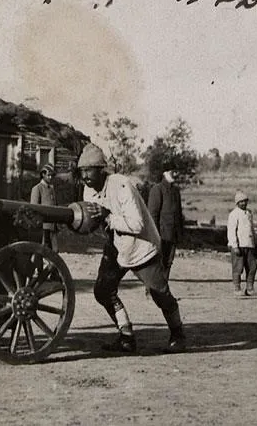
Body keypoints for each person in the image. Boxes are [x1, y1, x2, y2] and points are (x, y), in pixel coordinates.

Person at [77, 143, 186, 354]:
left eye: (89, 170)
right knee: (103, 291)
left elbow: (137, 224)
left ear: (102, 170)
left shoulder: (122, 185)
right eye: (82, 171)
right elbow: (92, 221)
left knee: (160, 294)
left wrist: (107, 216)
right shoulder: (89, 190)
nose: (85, 176)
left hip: (141, 245)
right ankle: (126, 336)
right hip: (117, 245)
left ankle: (178, 334)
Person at [147, 168, 184, 279]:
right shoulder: (157, 189)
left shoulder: (176, 191)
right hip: (160, 235)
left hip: (172, 235)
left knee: (168, 262)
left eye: (175, 171)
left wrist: (180, 234)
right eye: (171, 171)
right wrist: (155, 235)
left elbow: (179, 214)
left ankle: (163, 291)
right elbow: (152, 215)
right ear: (164, 173)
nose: (175, 173)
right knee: (157, 262)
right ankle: (151, 289)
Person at [228, 191, 257, 296]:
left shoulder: (249, 213)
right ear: (237, 203)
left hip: (249, 244)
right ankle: (237, 288)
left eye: (245, 201)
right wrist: (234, 245)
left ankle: (249, 288)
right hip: (239, 246)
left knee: (252, 266)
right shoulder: (233, 214)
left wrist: (255, 242)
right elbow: (231, 231)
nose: (244, 204)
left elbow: (251, 229)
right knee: (238, 267)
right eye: (241, 202)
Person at [30, 163, 59, 251]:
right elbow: (33, 208)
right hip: (43, 226)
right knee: (43, 250)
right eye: (48, 175)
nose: (50, 178)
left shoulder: (51, 189)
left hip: (53, 225)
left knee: (55, 251)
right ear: (43, 175)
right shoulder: (37, 188)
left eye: (52, 176)